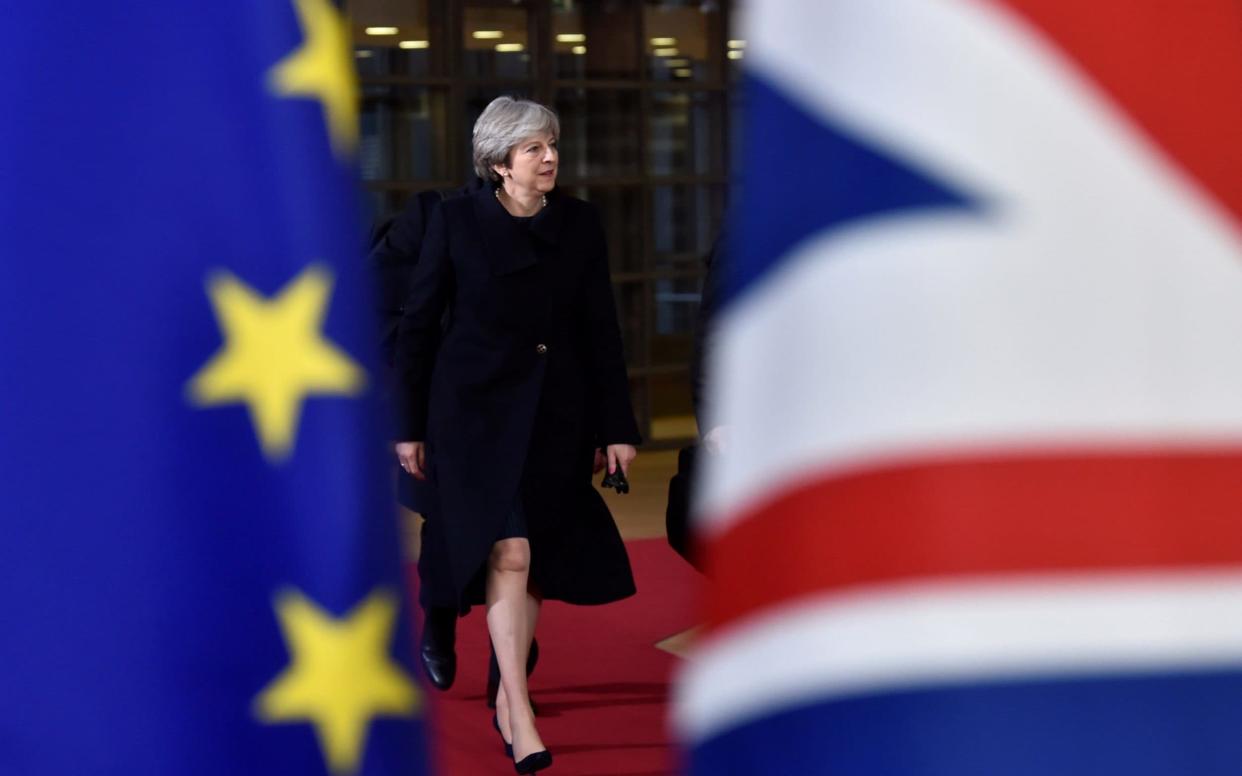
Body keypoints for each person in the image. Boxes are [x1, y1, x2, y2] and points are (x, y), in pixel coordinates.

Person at [394, 96, 640, 774]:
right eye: (534, 148)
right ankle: (518, 710)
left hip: (553, 417)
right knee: (509, 552)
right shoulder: (456, 222)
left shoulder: (581, 226)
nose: (550, 156)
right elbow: (418, 328)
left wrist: (617, 426)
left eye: (552, 145)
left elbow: (601, 333)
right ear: (500, 164)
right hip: (470, 417)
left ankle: (508, 691)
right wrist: (406, 426)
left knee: (531, 562)